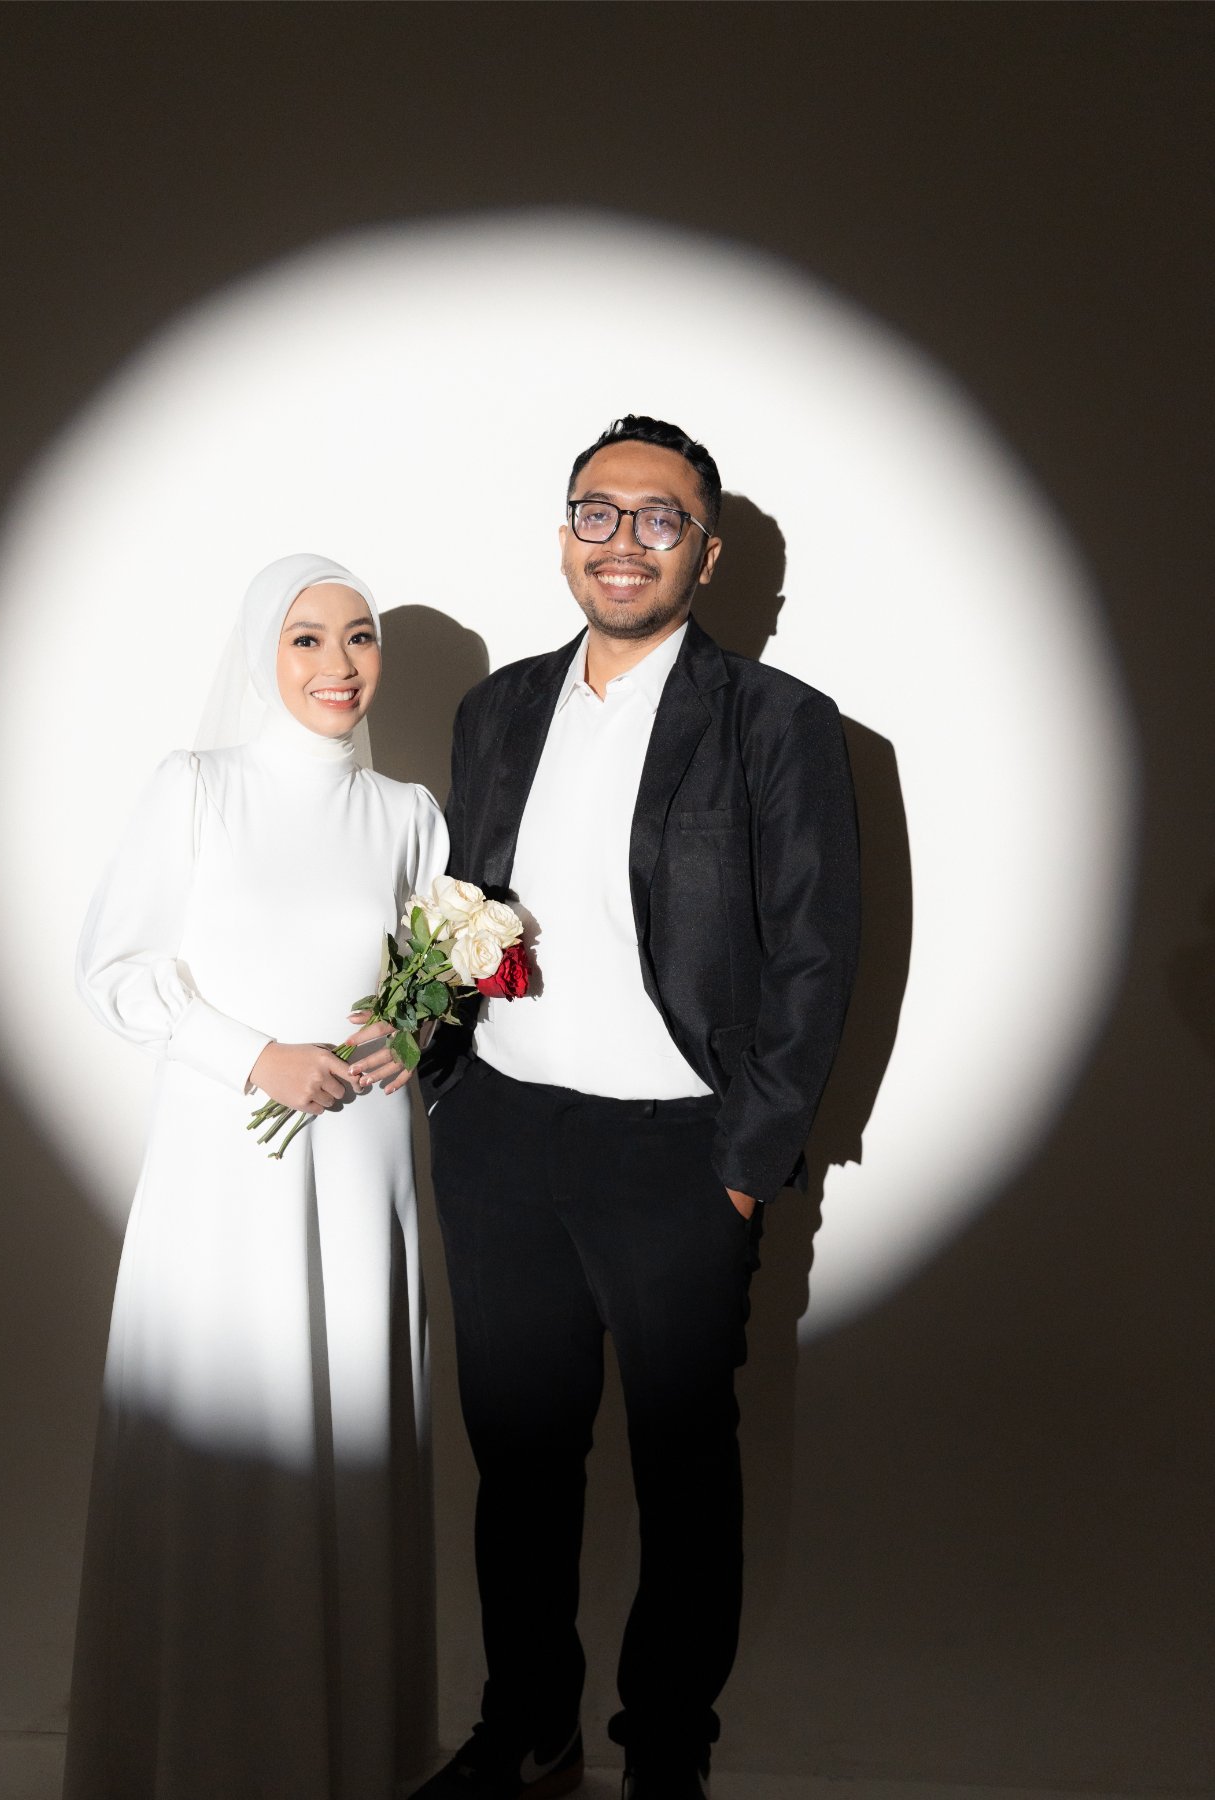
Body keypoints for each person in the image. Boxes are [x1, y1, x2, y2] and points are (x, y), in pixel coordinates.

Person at [414, 418, 861, 1800]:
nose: (623, 542)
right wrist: (445, 1086)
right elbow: (463, 902)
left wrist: (744, 1162)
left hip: (677, 1155)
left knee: (681, 1471)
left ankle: (665, 1751)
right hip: (502, 1136)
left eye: (659, 519)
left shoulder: (775, 722)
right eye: (596, 513)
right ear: (564, 535)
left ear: (704, 555)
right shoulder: (498, 709)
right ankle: (525, 1729)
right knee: (518, 1464)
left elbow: (814, 957)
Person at [64, 554, 447, 1800]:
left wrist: (412, 1031)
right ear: (259, 653)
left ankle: (347, 1760)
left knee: (351, 1432)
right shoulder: (197, 789)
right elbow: (117, 967)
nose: (339, 665)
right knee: (225, 1435)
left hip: (363, 1163)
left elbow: (429, 982)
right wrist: (254, 1057)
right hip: (225, 1170)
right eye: (306, 638)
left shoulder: (408, 814)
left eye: (360, 636)